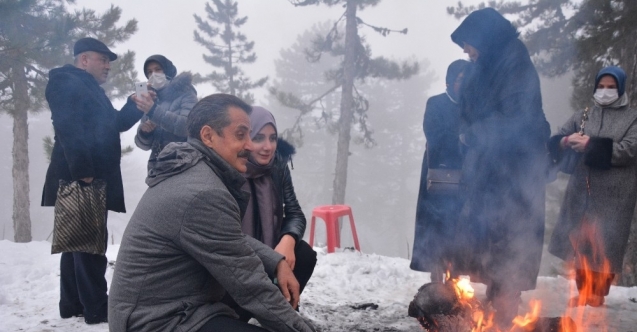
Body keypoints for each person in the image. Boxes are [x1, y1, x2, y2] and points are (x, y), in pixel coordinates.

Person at [108, 94, 315, 332]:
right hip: (156, 321)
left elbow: (231, 237)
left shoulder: (196, 171)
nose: (250, 145)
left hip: (180, 307)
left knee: (300, 255)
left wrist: (276, 261)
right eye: (241, 134)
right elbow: (249, 284)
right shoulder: (203, 191)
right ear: (208, 136)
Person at [450, 8, 550, 327]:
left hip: (517, 175)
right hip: (494, 174)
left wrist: (475, 134)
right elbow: (472, 106)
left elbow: (518, 119)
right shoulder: (490, 65)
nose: (466, 50)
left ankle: (505, 315)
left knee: (511, 243)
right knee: (493, 242)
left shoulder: (515, 63)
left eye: (468, 43)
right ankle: (495, 310)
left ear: (484, 38)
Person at [41, 37, 148, 324]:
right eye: (103, 59)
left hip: (87, 174)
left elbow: (113, 123)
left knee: (75, 239)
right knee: (90, 242)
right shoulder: (66, 81)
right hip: (82, 175)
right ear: (84, 59)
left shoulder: (87, 87)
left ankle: (72, 303)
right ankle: (98, 307)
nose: (108, 66)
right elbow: (67, 126)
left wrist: (135, 106)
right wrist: (84, 170)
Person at [548, 66, 637, 307]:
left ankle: (596, 295)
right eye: (601, 86)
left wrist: (591, 145)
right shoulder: (583, 114)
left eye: (611, 87)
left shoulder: (632, 118)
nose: (605, 91)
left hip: (614, 195)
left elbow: (629, 149)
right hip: (581, 190)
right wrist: (567, 141)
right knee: (580, 241)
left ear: (620, 89)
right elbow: (558, 138)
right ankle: (583, 291)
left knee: (605, 243)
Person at [224, 106, 317, 320]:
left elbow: (294, 212)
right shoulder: (229, 168)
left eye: (273, 138)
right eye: (259, 138)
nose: (268, 147)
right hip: (235, 256)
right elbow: (225, 231)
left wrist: (288, 240)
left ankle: (278, 310)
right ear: (246, 139)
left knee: (304, 254)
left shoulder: (278, 166)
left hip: (269, 245)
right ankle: (239, 314)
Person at [410, 60, 469, 282]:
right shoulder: (435, 103)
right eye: (461, 79)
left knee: (458, 231)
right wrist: (462, 140)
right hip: (438, 174)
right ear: (450, 80)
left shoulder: (471, 108)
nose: (464, 85)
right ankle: (436, 285)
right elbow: (434, 135)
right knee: (436, 230)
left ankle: (454, 285)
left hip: (464, 176)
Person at [134, 54, 198, 164]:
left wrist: (154, 111)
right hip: (157, 167)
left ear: (167, 71)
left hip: (183, 163)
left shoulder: (186, 94)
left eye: (158, 69)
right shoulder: (151, 98)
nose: (153, 74)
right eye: (149, 72)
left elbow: (188, 127)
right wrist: (145, 132)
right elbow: (144, 146)